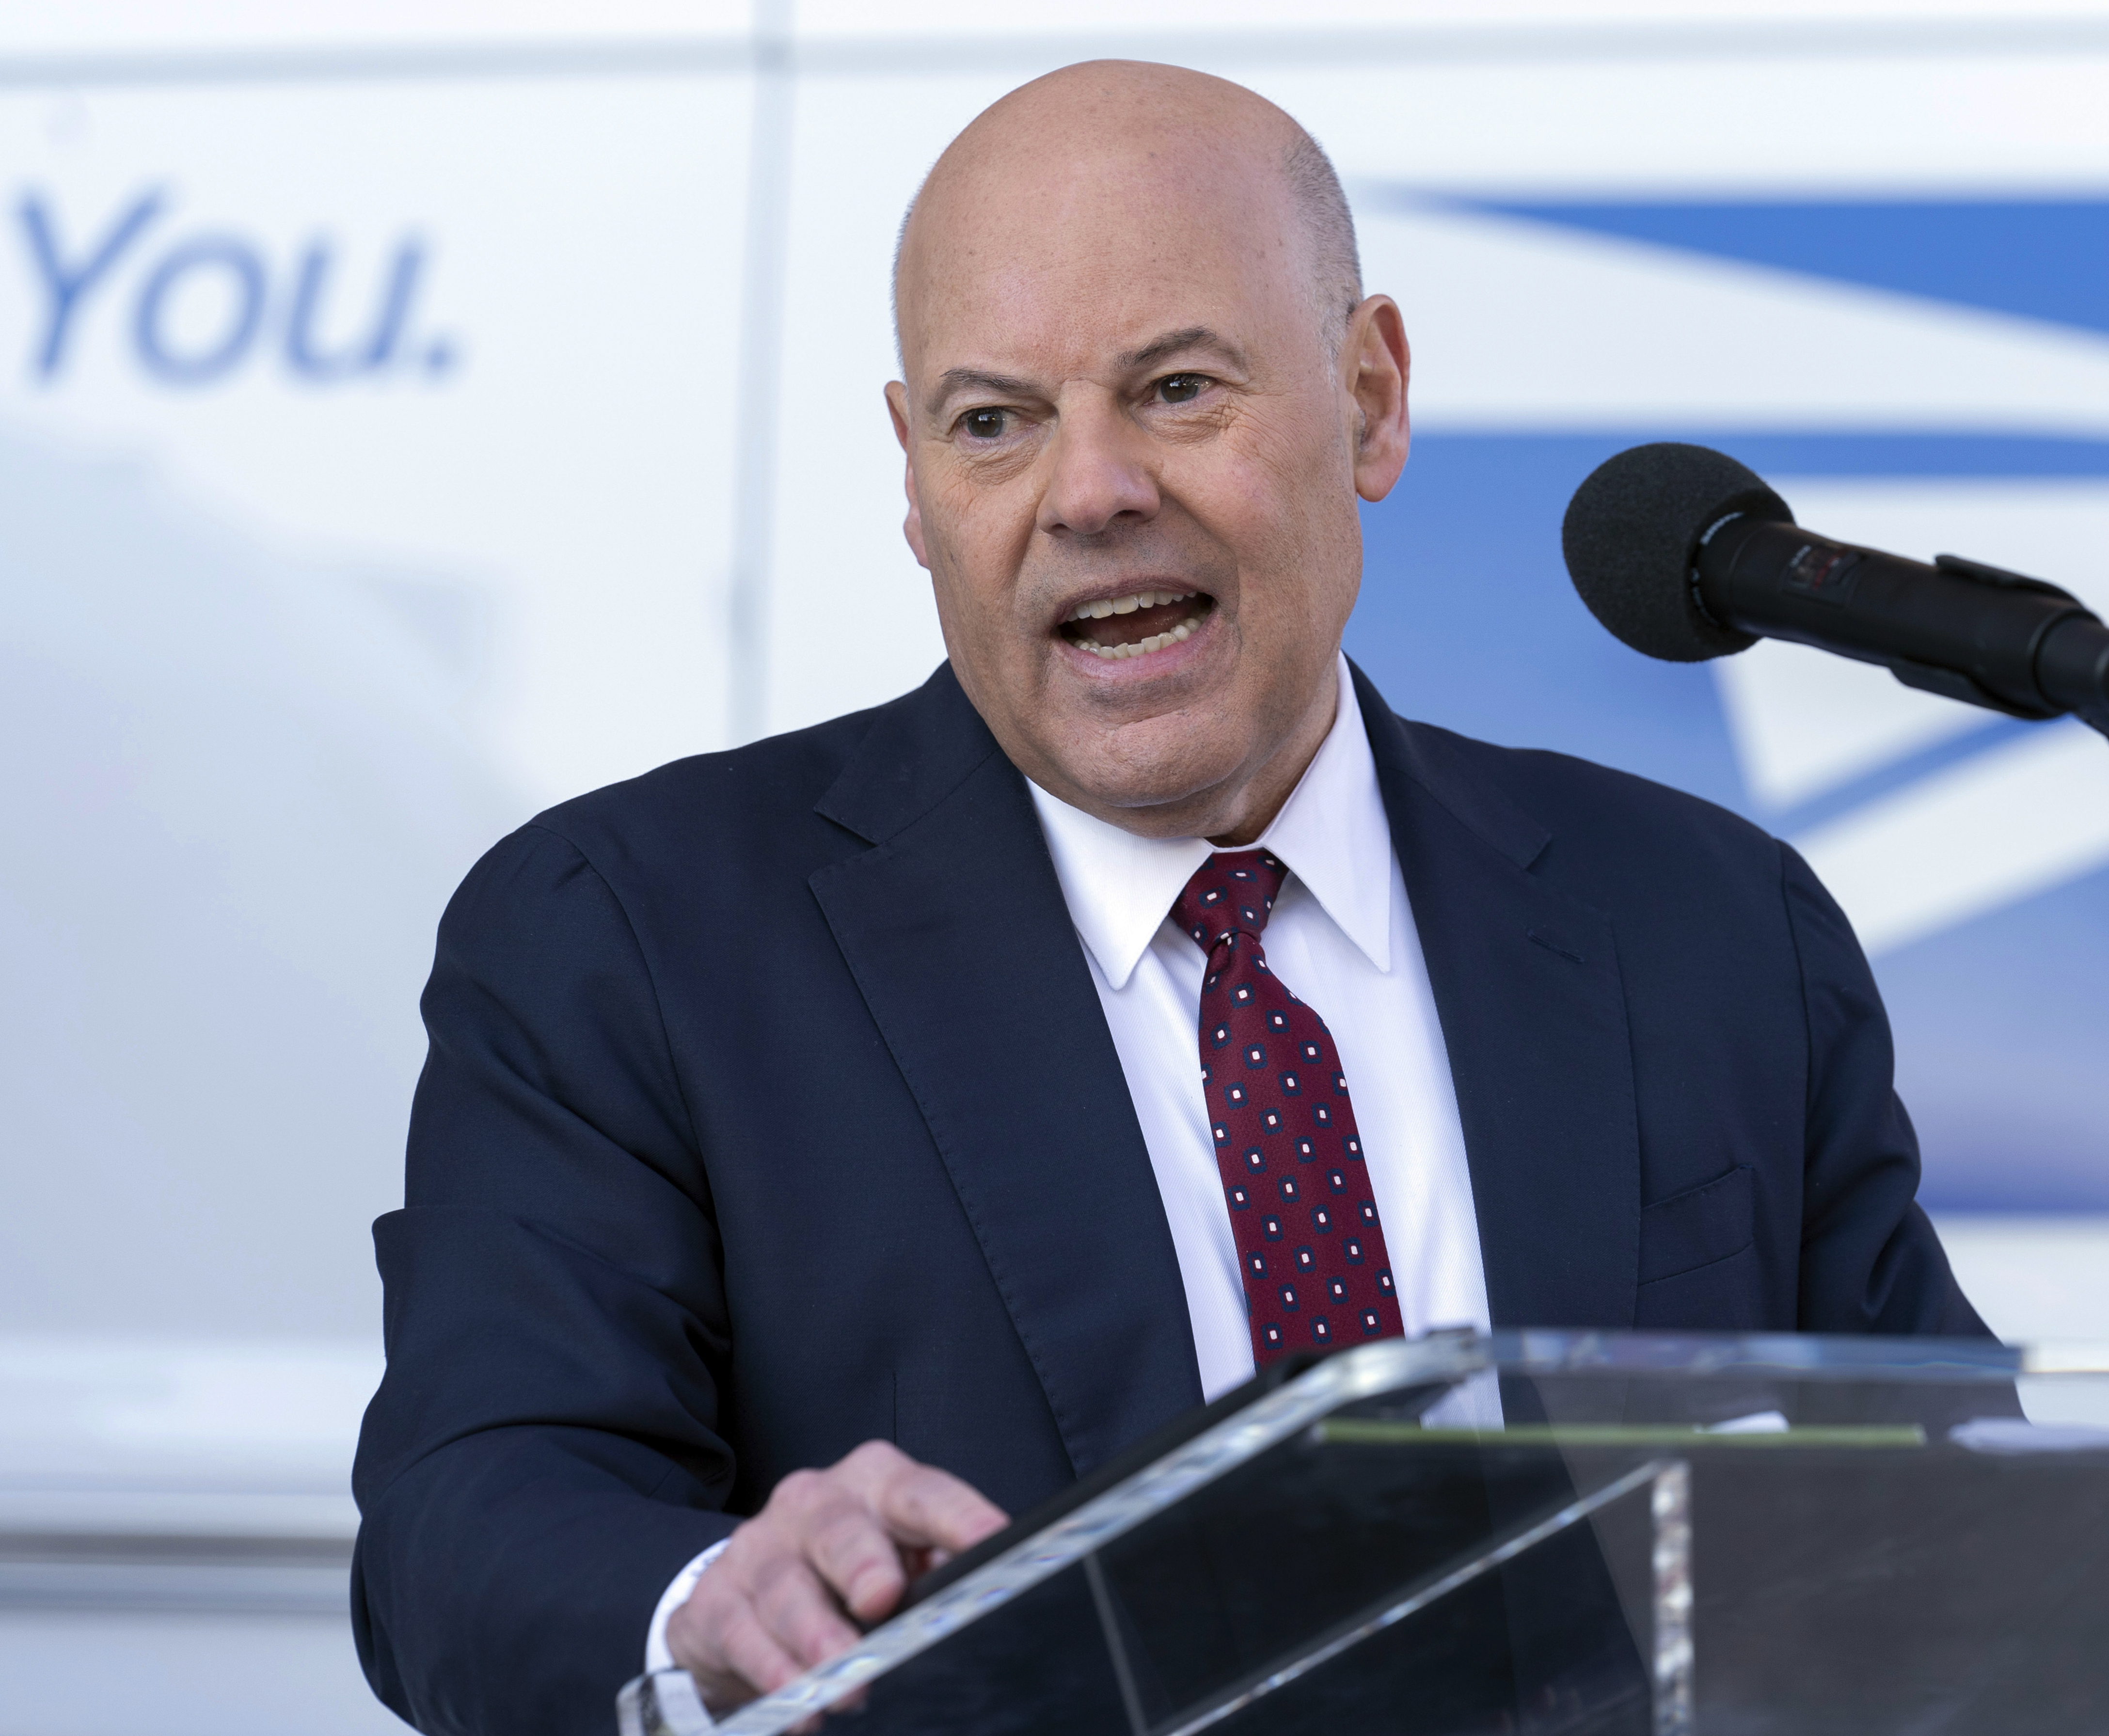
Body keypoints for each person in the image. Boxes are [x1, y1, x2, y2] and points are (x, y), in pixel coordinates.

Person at [350, 60, 1988, 1736]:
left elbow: (1975, 1528)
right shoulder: (632, 936)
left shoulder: (1707, 923)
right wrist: (711, 1602)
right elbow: (466, 1521)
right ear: (914, 480)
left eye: (1178, 390)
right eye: (995, 423)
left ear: (1368, 399)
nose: (1091, 492)